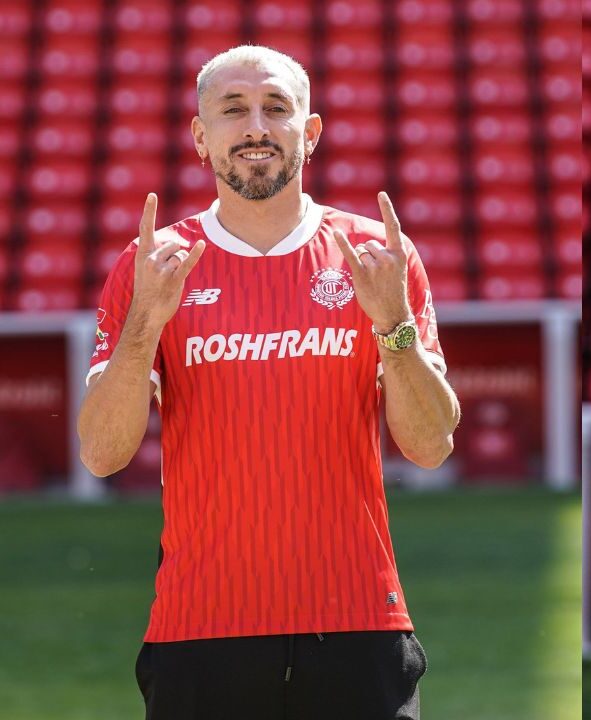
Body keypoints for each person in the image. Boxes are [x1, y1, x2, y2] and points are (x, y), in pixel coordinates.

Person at [76, 45, 460, 720]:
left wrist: (393, 323)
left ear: (309, 132)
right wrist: (144, 325)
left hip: (359, 619)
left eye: (276, 108)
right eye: (234, 110)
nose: (256, 126)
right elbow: (102, 454)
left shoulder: (375, 256)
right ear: (201, 136)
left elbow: (430, 445)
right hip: (199, 627)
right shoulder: (153, 264)